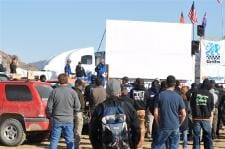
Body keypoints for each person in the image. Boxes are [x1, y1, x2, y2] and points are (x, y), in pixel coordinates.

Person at [89, 79, 140, 149]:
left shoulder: (100, 108)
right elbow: (136, 129)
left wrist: (97, 146)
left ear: (106, 92)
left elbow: (92, 131)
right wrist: (133, 144)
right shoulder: (128, 106)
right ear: (119, 91)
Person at [47, 73, 80, 149]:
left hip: (57, 119)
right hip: (69, 119)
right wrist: (73, 114)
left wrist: (52, 115)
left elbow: (49, 107)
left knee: (54, 140)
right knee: (69, 140)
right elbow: (78, 107)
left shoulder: (54, 91)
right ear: (67, 80)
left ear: (59, 81)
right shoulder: (73, 92)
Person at [153, 75, 186, 149]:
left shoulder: (160, 95)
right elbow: (184, 114)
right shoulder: (178, 97)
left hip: (163, 124)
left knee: (158, 145)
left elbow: (155, 113)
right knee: (174, 146)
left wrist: (158, 123)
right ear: (175, 84)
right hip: (175, 125)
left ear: (166, 83)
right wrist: (179, 123)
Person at [190, 78, 214, 149]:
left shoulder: (195, 93)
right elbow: (212, 106)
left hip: (196, 118)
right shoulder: (210, 94)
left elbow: (191, 104)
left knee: (196, 137)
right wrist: (208, 112)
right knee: (208, 136)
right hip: (206, 118)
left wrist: (194, 113)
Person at [130, 78, 149, 147]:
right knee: (142, 126)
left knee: (134, 126)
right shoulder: (146, 91)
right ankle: (141, 140)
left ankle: (135, 140)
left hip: (134, 111)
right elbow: (148, 101)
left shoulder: (132, 90)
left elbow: (130, 100)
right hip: (143, 111)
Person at [74, 79, 85, 148]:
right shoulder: (79, 92)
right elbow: (81, 104)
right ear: (79, 85)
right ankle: (76, 145)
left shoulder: (72, 91)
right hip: (78, 112)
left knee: (73, 129)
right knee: (78, 129)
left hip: (71, 112)